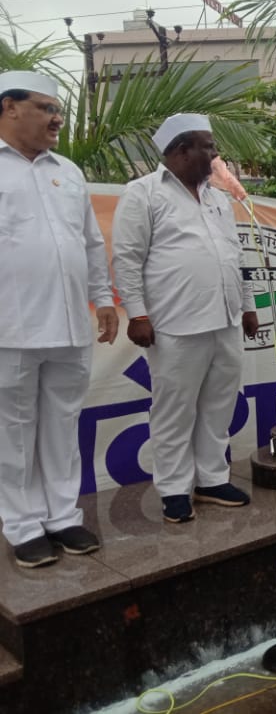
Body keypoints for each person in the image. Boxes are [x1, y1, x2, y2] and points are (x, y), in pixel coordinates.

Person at [112, 114, 256, 524]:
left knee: (218, 404)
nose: (214, 155)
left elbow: (235, 255)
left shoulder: (217, 198)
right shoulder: (142, 194)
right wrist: (137, 314)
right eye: (207, 146)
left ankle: (212, 479)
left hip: (226, 320)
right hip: (175, 324)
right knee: (174, 410)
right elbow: (126, 259)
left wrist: (247, 306)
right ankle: (174, 490)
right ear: (180, 151)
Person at [0, 71, 118, 567]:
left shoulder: (67, 170)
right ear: (9, 107)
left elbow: (90, 242)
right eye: (45, 107)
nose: (57, 117)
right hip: (12, 326)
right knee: (15, 429)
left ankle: (63, 517)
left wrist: (104, 298)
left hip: (71, 321)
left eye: (57, 108)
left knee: (63, 422)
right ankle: (23, 525)